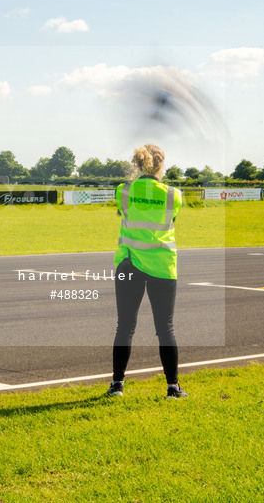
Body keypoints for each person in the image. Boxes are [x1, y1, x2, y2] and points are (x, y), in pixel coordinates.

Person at [106, 144, 188, 399]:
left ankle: (117, 385)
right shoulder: (174, 194)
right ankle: (173, 388)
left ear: (137, 164)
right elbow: (169, 220)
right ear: (161, 165)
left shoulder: (124, 190)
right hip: (162, 265)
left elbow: (123, 213)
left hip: (128, 262)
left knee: (125, 326)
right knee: (165, 327)